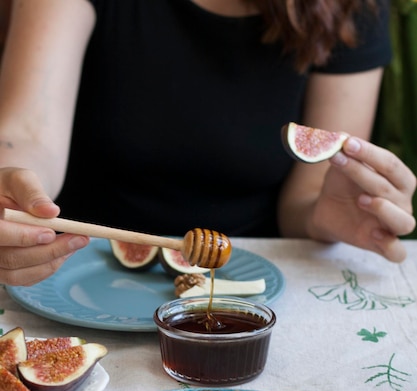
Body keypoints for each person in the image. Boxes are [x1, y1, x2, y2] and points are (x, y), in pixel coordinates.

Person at [0, 0, 415, 287]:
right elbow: (27, 134)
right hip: (76, 270)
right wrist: (12, 190)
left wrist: (325, 216)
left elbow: (306, 196)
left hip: (246, 283)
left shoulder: (349, 8)